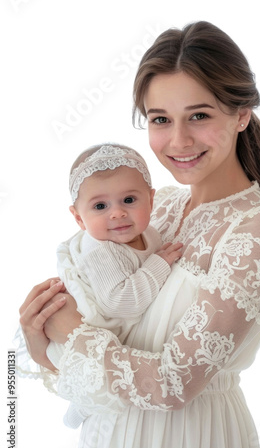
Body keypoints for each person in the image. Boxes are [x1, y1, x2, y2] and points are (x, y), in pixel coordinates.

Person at [19, 20, 260, 448]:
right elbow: (108, 332)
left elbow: (172, 384)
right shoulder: (157, 207)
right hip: (108, 438)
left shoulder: (258, 233)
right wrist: (42, 346)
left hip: (190, 441)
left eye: (199, 116)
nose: (178, 140)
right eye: (160, 119)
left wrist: (68, 333)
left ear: (241, 114)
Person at [17, 142, 183, 428]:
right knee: (93, 378)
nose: (117, 213)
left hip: (99, 337)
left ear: (151, 200)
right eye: (100, 206)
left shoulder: (148, 233)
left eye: (129, 200)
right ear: (79, 218)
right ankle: (80, 407)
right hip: (70, 336)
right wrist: (159, 264)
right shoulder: (101, 250)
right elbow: (119, 301)